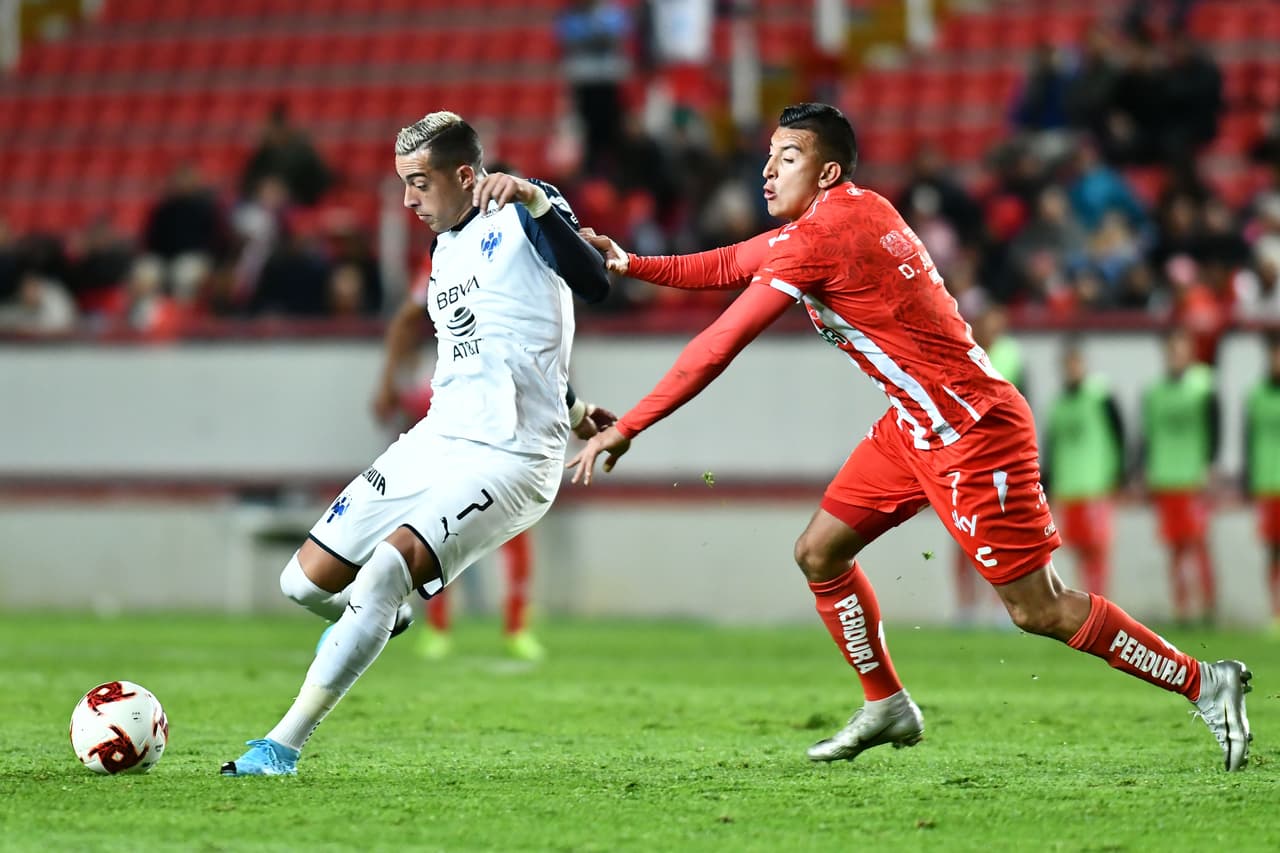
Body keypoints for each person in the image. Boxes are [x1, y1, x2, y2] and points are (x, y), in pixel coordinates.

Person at [572, 102, 1252, 771]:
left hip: (972, 429)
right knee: (819, 552)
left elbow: (716, 346)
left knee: (1037, 607)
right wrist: (632, 262)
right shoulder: (858, 209)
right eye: (768, 156)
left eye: (788, 157)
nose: (767, 172)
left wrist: (630, 424)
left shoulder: (821, 237)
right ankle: (887, 703)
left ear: (829, 171)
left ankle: (1204, 682)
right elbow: (730, 262)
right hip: (914, 425)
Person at [220, 111, 610, 776]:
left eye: (419, 183)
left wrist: (540, 201)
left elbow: (593, 282)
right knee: (303, 583)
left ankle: (279, 746)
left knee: (385, 571)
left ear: (465, 175)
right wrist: (575, 405)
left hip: (512, 455)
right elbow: (495, 342)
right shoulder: (443, 251)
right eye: (403, 183)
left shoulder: (526, 208)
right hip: (437, 438)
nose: (407, 200)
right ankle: (380, 620)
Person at [371, 273, 615, 662]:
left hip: (514, 404)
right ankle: (438, 627)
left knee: (510, 524)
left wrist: (571, 411)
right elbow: (406, 318)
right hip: (458, 395)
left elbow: (552, 348)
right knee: (439, 524)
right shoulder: (446, 260)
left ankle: (515, 627)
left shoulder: (523, 257)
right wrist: (388, 382)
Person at [951, 304, 1026, 624]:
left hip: (1001, 455)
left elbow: (1024, 403)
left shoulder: (1012, 356)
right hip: (966, 456)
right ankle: (967, 606)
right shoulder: (959, 348)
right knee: (963, 533)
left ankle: (1001, 607)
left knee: (1001, 534)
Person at [1141, 326, 1220, 624]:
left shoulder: (1204, 385)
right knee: (1174, 550)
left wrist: (1210, 464)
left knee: (1198, 544)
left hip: (1193, 478)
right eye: (1171, 349)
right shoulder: (1154, 392)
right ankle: (1182, 608)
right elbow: (1147, 435)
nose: (1175, 355)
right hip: (1165, 478)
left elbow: (1215, 426)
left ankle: (1208, 607)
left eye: (1181, 348)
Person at [1044, 338, 1127, 595]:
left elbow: (1119, 433)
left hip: (1095, 486)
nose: (1072, 369)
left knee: (1097, 550)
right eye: (1067, 365)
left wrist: (1119, 473)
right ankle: (1091, 602)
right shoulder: (1057, 404)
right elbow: (1051, 447)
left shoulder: (1100, 395)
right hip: (1069, 489)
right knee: (1079, 551)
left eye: (1075, 363)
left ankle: (1101, 602)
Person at [1245, 333, 1280, 631]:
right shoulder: (1257, 395)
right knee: (1273, 550)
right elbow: (1249, 440)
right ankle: (1276, 613)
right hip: (1268, 484)